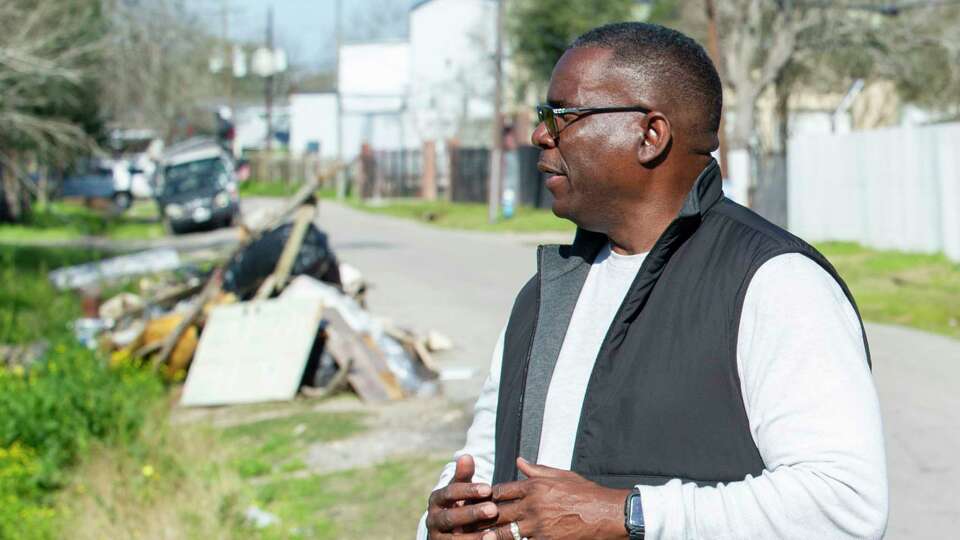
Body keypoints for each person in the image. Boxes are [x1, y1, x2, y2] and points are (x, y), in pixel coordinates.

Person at [418, 22, 887, 540]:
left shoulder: (775, 283)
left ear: (650, 135)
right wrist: (446, 520)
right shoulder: (546, 293)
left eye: (563, 115)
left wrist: (628, 515)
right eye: (542, 115)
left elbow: (845, 504)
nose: (540, 134)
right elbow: (486, 461)